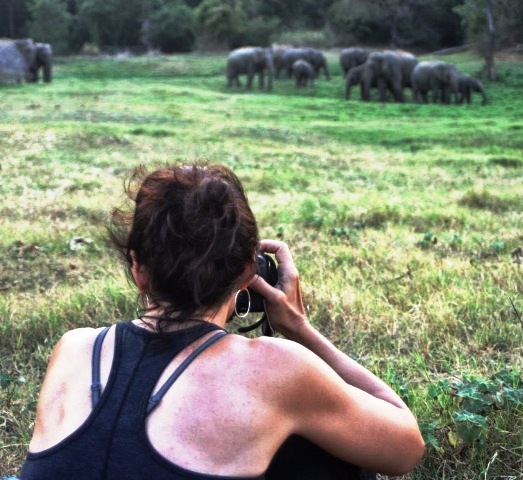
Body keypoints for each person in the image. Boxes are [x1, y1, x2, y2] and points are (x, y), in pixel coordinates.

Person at [19, 163, 425, 479]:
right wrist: (300, 328)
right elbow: (406, 449)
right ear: (250, 270)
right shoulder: (277, 369)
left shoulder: (74, 349)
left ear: (138, 268)